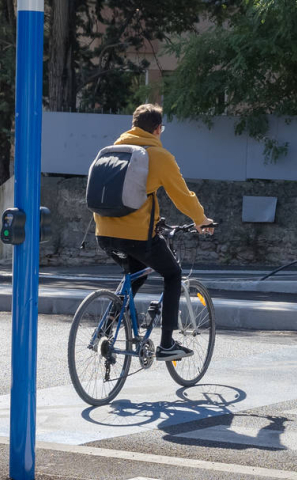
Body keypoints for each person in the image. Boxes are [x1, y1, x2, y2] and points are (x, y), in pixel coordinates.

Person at [92, 104, 216, 361]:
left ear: (133, 125)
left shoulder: (113, 151)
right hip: (137, 235)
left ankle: (105, 331)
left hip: (103, 232)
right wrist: (201, 220)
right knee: (172, 274)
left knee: (135, 275)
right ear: (158, 129)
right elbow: (182, 196)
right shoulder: (158, 156)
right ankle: (168, 344)